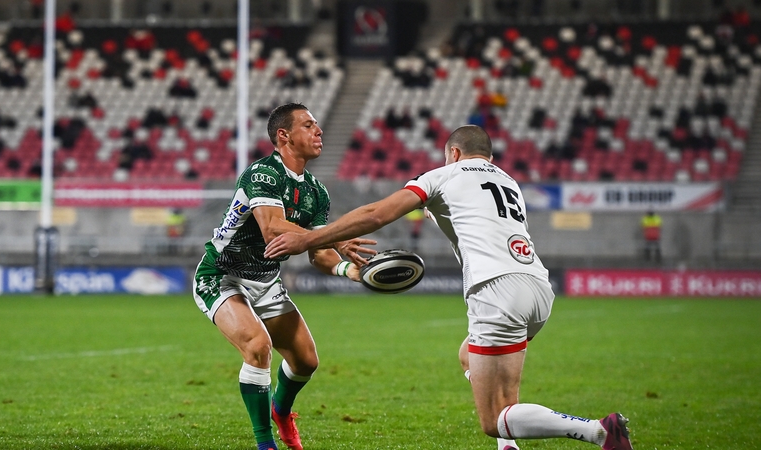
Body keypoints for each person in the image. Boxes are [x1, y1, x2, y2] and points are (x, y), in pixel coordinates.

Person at [264, 125, 633, 450]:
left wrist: (308, 240)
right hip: (537, 287)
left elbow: (376, 214)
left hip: (496, 291)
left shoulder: (444, 174)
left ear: (453, 154)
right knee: (469, 358)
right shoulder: (507, 180)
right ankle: (510, 446)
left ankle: (599, 432)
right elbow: (474, 213)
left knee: (494, 418)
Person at [191, 103, 374, 450]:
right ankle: (265, 442)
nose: (318, 131)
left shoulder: (317, 191)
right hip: (222, 276)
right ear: (283, 136)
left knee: (306, 361)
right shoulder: (262, 173)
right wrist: (338, 235)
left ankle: (281, 411)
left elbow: (318, 253)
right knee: (258, 347)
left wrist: (347, 269)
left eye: (317, 124)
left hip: (266, 281)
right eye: (308, 125)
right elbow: (274, 229)